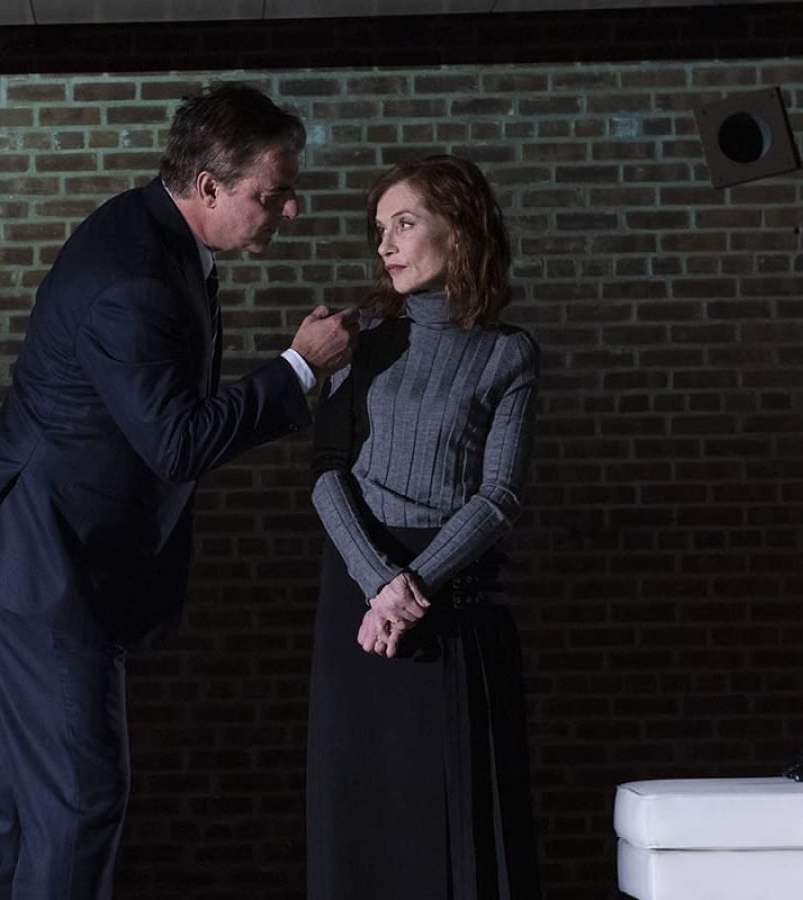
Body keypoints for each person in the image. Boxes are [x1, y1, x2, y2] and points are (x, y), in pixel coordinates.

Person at [0, 82, 359, 900]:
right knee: (79, 797)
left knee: (7, 799)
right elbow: (176, 441)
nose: (291, 210)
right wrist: (300, 367)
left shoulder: (156, 238)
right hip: (45, 565)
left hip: (32, 547)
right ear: (209, 188)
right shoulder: (135, 277)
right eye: (273, 194)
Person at [305, 154, 543, 899]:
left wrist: (414, 584)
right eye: (380, 229)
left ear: (460, 229)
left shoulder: (507, 352)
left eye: (404, 224)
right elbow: (325, 472)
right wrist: (381, 583)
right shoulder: (361, 340)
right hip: (359, 591)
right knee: (361, 807)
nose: (386, 244)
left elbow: (498, 495)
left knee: (449, 810)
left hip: (448, 598)